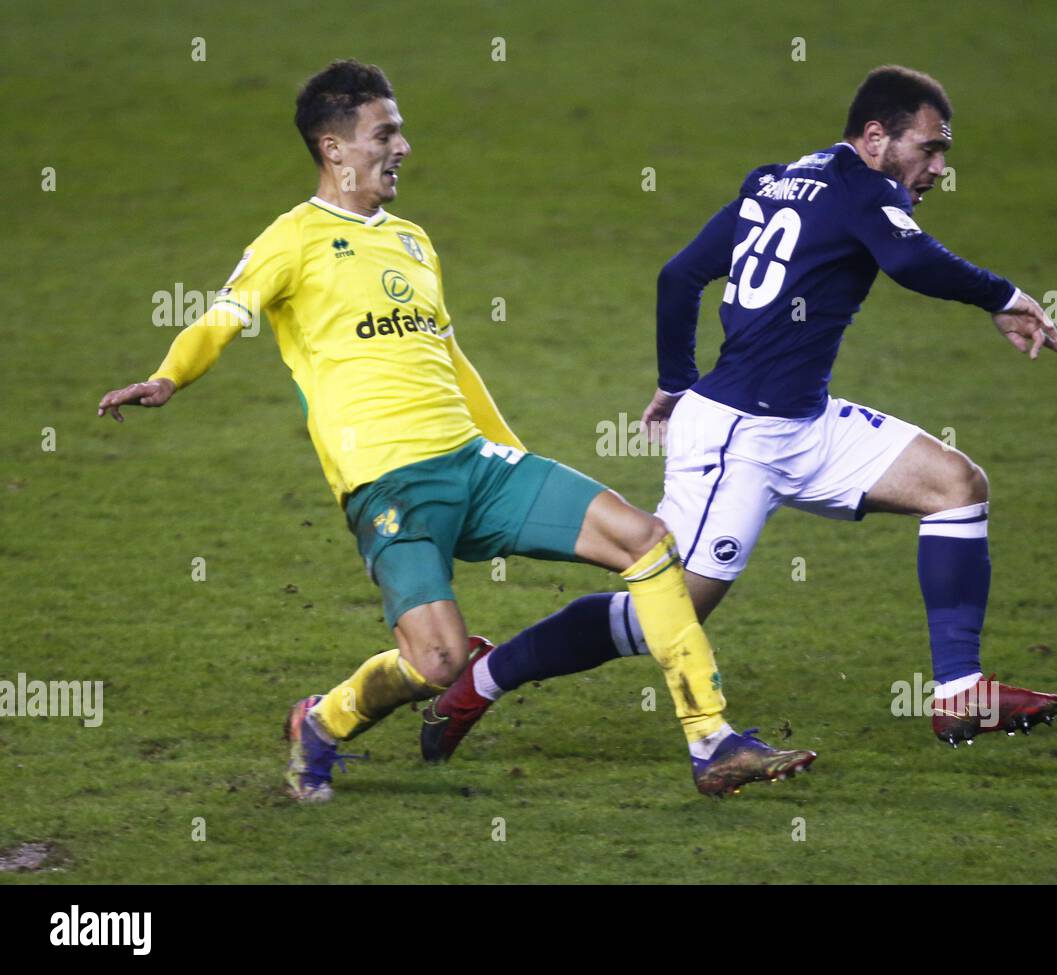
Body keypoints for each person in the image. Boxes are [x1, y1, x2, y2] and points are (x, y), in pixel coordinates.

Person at [96, 59, 814, 801]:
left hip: (478, 465)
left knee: (647, 541)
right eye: (387, 132)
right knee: (436, 662)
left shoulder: (411, 241)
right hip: (390, 485)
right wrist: (168, 376)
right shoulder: (294, 238)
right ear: (333, 148)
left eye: (401, 130)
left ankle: (711, 739)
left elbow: (450, 356)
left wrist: (512, 448)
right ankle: (323, 720)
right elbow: (225, 315)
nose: (403, 146)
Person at [422, 65, 1057, 761]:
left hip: (806, 422)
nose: (939, 167)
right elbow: (908, 262)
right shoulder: (862, 188)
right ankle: (477, 683)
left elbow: (680, 275)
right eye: (930, 148)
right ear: (876, 137)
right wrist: (1002, 295)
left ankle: (959, 690)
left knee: (955, 485)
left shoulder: (776, 179)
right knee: (664, 613)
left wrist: (675, 381)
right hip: (738, 439)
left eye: (944, 152)